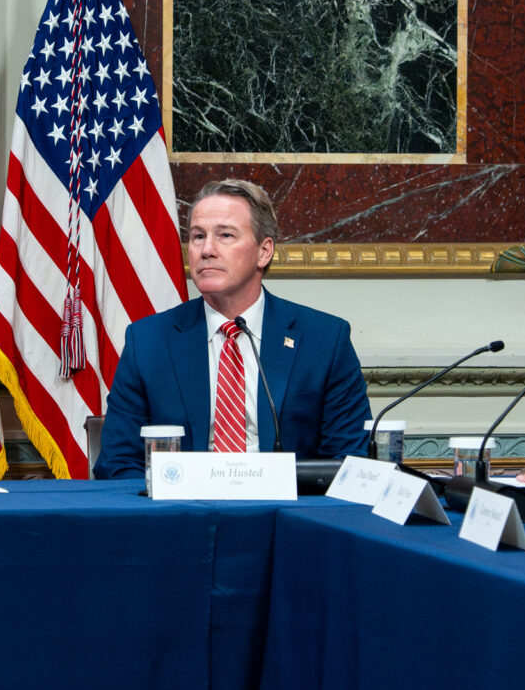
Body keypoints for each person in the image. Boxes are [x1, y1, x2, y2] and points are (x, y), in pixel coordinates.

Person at [97, 178, 369, 479]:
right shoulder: (148, 342)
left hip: (287, 516)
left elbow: (349, 460)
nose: (207, 249)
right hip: (182, 516)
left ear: (264, 252)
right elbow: (118, 463)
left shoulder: (325, 340)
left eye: (225, 235)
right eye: (198, 236)